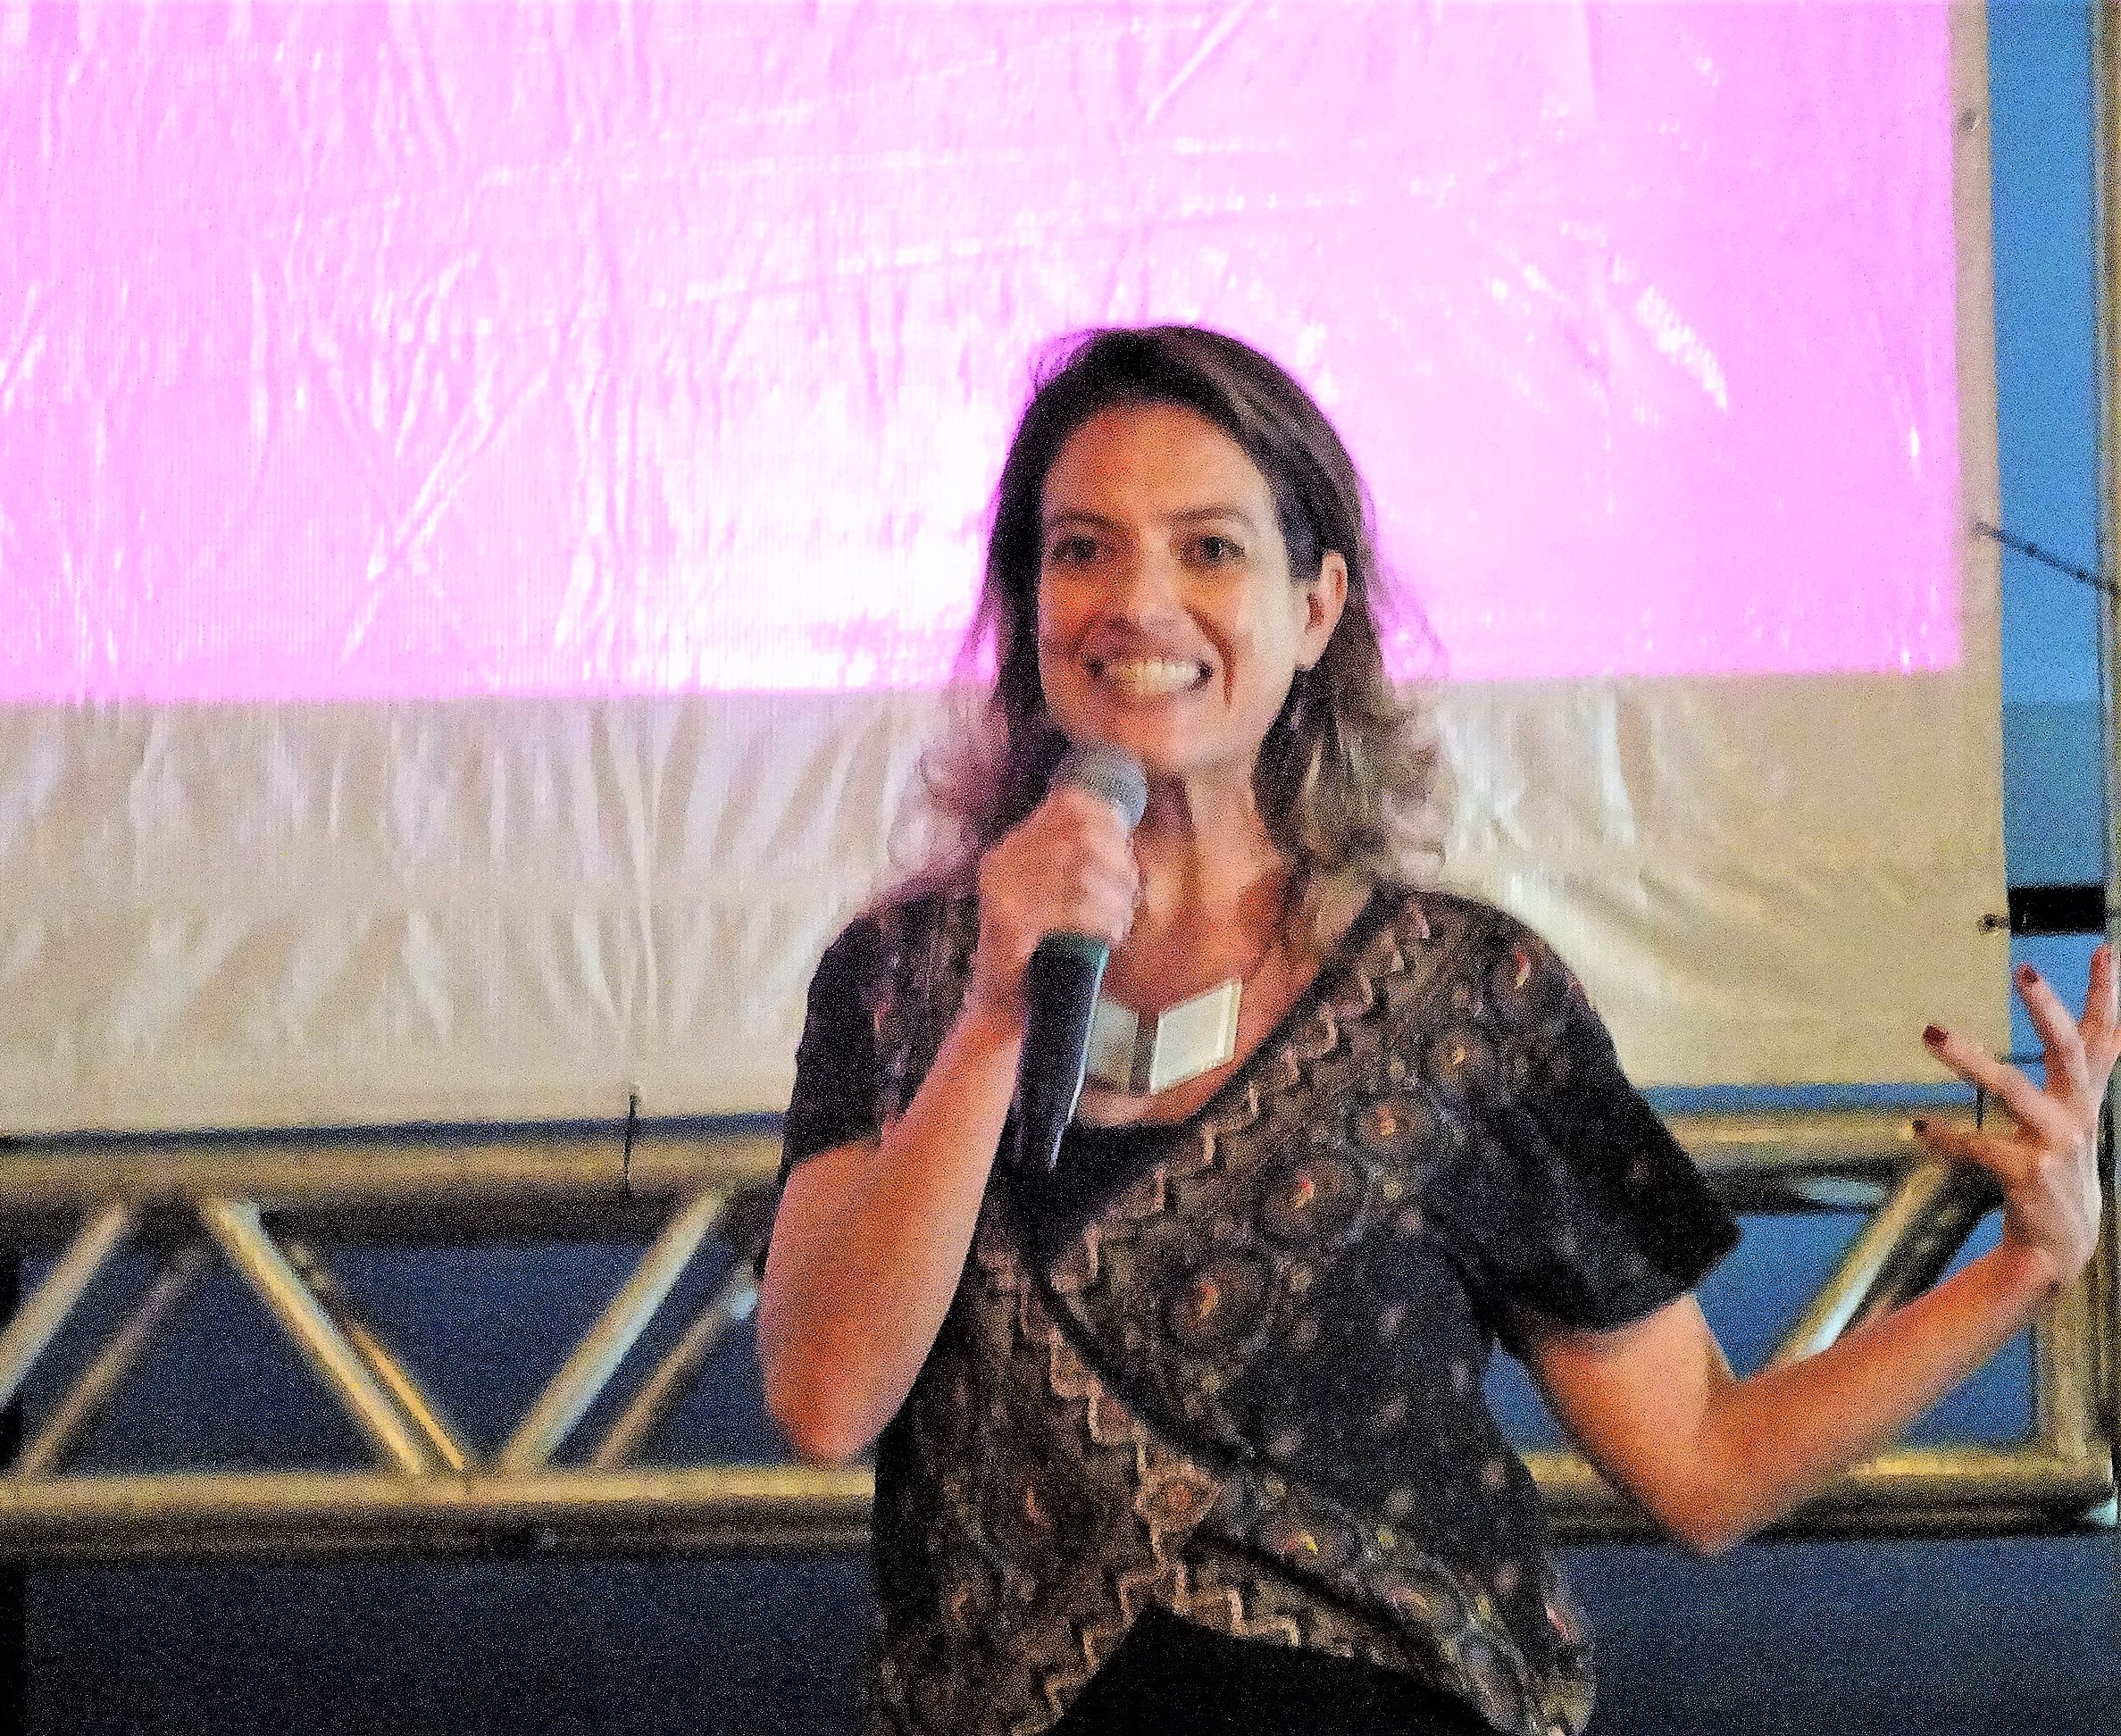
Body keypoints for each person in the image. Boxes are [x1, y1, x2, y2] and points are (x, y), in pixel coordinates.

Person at [756, 325, 2117, 1736]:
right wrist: (996, 1009)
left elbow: (1704, 1464)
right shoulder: (899, 984)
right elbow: (824, 1401)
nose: (1139, 603)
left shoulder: (1463, 999)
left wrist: (2022, 1268)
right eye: (1083, 550)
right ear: (1029, 603)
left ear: (1317, 606)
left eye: (1210, 550)